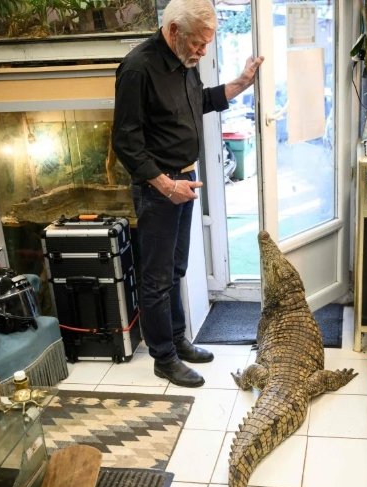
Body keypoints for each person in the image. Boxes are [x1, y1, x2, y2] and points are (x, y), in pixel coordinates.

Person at [112, 0, 263, 387]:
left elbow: (201, 101)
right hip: (159, 189)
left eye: (207, 43)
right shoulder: (137, 68)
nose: (203, 51)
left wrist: (242, 82)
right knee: (157, 278)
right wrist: (165, 184)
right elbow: (126, 142)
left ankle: (178, 340)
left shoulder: (184, 64)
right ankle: (164, 357)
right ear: (175, 31)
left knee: (176, 270)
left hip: (183, 182)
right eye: (198, 43)